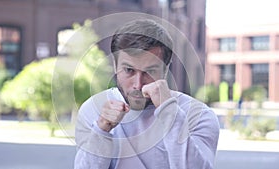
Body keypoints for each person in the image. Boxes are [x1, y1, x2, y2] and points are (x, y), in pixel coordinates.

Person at [74, 19, 219, 169]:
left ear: (166, 69)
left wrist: (170, 113)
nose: (138, 84)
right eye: (129, 70)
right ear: (115, 65)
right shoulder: (93, 109)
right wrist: (101, 130)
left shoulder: (199, 116)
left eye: (150, 71)